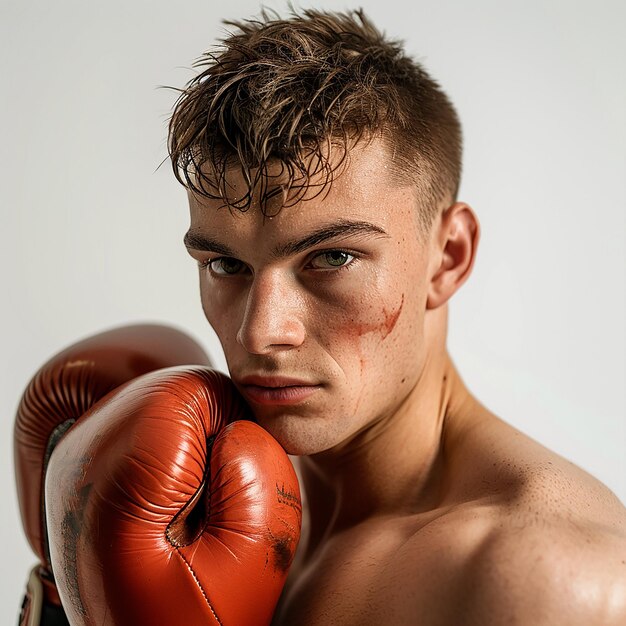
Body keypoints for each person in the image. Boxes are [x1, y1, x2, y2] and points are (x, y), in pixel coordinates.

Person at [166, 7, 626, 625]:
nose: (260, 331)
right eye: (226, 265)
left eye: (331, 257)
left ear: (448, 256)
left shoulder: (543, 577)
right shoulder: (198, 512)